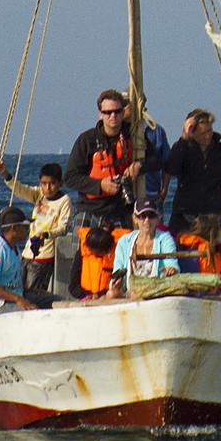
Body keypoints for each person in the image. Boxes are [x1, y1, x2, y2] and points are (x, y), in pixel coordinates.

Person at [66, 89, 144, 231]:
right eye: (107, 112)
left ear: (122, 112)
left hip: (120, 210)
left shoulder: (134, 135)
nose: (112, 116)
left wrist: (139, 165)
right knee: (82, 252)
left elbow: (156, 160)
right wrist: (100, 185)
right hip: (89, 210)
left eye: (117, 111)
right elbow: (70, 177)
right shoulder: (86, 140)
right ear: (100, 114)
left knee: (124, 252)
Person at [0, 160, 74, 300]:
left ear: (60, 183)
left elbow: (63, 227)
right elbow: (20, 189)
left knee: (34, 292)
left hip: (44, 256)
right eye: (43, 184)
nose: (48, 188)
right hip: (28, 252)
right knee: (18, 288)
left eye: (52, 184)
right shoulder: (39, 195)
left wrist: (47, 234)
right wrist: (5, 173)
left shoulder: (64, 201)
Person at [162, 107, 221, 237]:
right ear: (193, 132)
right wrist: (184, 138)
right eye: (202, 133)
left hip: (213, 217)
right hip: (184, 216)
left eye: (209, 131)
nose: (207, 136)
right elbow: (171, 168)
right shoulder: (183, 149)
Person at [0, 205, 40, 316]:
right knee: (35, 313)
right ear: (14, 229)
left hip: (13, 298)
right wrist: (18, 299)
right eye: (25, 227)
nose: (28, 230)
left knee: (50, 300)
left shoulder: (14, 248)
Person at [108, 200, 177, 298]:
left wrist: (171, 270)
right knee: (111, 294)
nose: (147, 220)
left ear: (157, 218)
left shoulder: (166, 239)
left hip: (156, 292)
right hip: (130, 294)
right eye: (142, 216)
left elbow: (172, 264)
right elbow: (117, 272)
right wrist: (116, 283)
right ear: (135, 219)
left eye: (151, 215)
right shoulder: (124, 242)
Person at [140, 114, 171, 209]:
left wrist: (164, 190)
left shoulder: (157, 131)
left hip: (153, 196)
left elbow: (167, 162)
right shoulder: (119, 131)